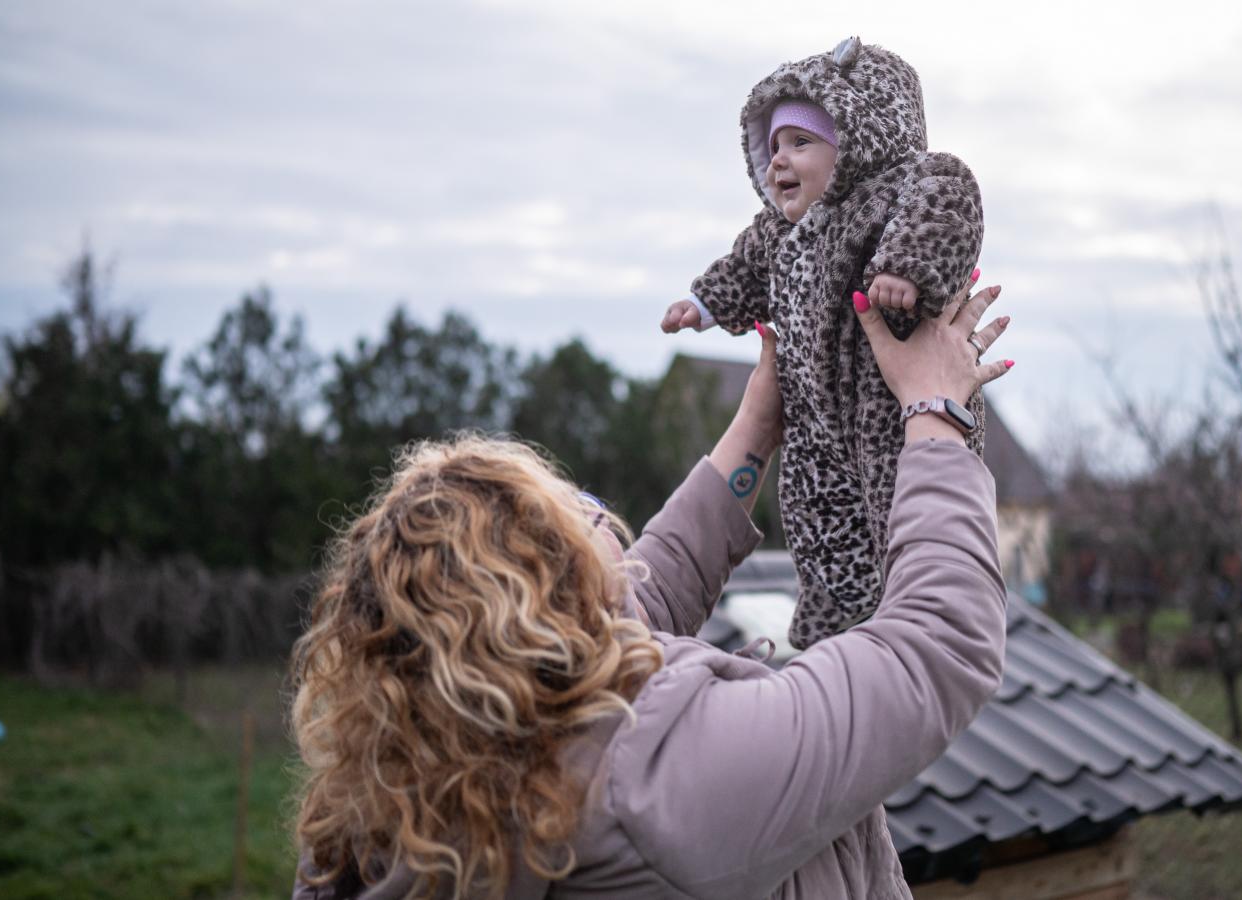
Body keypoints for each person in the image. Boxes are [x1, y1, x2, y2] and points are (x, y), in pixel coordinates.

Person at [291, 284, 1014, 899]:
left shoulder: (396, 790)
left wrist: (760, 421)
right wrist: (934, 409)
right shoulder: (660, 783)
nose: (603, 519)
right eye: (581, 512)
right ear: (551, 588)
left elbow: (636, 604)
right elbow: (937, 646)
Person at [659, 36, 995, 650]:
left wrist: (904, 270)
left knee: (902, 506)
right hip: (814, 416)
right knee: (818, 521)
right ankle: (829, 628)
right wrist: (704, 304)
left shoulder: (897, 190)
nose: (778, 162)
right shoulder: (780, 234)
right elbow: (745, 266)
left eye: (801, 143)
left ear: (858, 142)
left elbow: (949, 202)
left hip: (895, 402)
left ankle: (919, 617)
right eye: (774, 146)